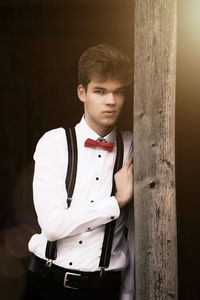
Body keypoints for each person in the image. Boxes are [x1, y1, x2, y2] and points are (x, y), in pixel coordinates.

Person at [25, 44, 134, 300]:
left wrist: (129, 294)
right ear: (82, 92)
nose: (111, 101)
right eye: (100, 91)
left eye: (119, 92)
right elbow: (52, 226)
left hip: (105, 289)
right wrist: (116, 202)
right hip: (47, 285)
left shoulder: (134, 147)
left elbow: (138, 234)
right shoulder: (54, 143)